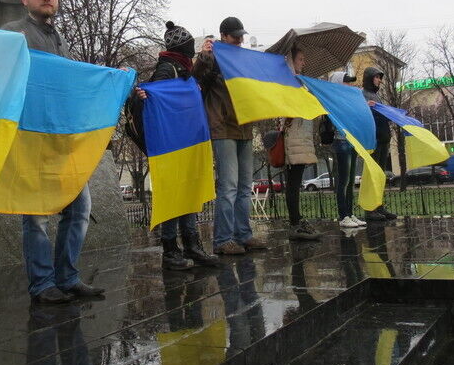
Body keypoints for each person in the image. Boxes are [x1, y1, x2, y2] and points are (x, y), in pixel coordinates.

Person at [2, 0, 105, 303]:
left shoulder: (61, 40)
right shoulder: (12, 34)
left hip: (61, 138)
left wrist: (110, 80)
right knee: (36, 215)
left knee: (79, 207)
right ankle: (42, 284)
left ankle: (67, 277)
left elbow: (71, 84)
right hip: (31, 137)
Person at [137, 22, 222, 270]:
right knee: (174, 196)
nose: (191, 49)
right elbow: (154, 94)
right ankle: (171, 251)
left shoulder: (183, 68)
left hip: (184, 140)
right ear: (183, 48)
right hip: (172, 144)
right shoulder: (168, 68)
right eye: (189, 45)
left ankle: (192, 245)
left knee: (188, 194)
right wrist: (143, 95)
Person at [192, 17, 268, 255]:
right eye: (235, 37)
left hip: (244, 127)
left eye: (241, 36)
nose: (239, 40)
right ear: (223, 36)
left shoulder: (242, 59)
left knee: (245, 186)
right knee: (229, 186)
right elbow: (195, 78)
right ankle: (223, 240)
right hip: (223, 128)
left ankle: (243, 235)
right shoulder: (212, 58)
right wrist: (204, 56)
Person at [280, 48, 322, 241]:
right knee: (293, 182)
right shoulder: (287, 83)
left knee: (296, 181)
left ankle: (297, 221)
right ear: (291, 61)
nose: (303, 63)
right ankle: (295, 223)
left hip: (301, 137)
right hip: (294, 137)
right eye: (300, 59)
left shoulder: (299, 82)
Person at [328, 71, 366, 229]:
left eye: (350, 82)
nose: (349, 85)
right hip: (342, 141)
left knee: (350, 181)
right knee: (343, 181)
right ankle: (343, 216)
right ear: (338, 83)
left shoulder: (348, 99)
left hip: (352, 141)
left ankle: (350, 214)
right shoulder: (333, 101)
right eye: (346, 81)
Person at [362, 66, 398, 221]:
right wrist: (368, 107)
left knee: (380, 175)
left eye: (379, 77)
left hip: (383, 139)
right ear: (369, 78)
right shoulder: (363, 94)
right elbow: (363, 114)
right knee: (372, 175)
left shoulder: (377, 96)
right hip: (374, 140)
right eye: (376, 77)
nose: (379, 80)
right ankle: (370, 210)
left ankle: (379, 206)